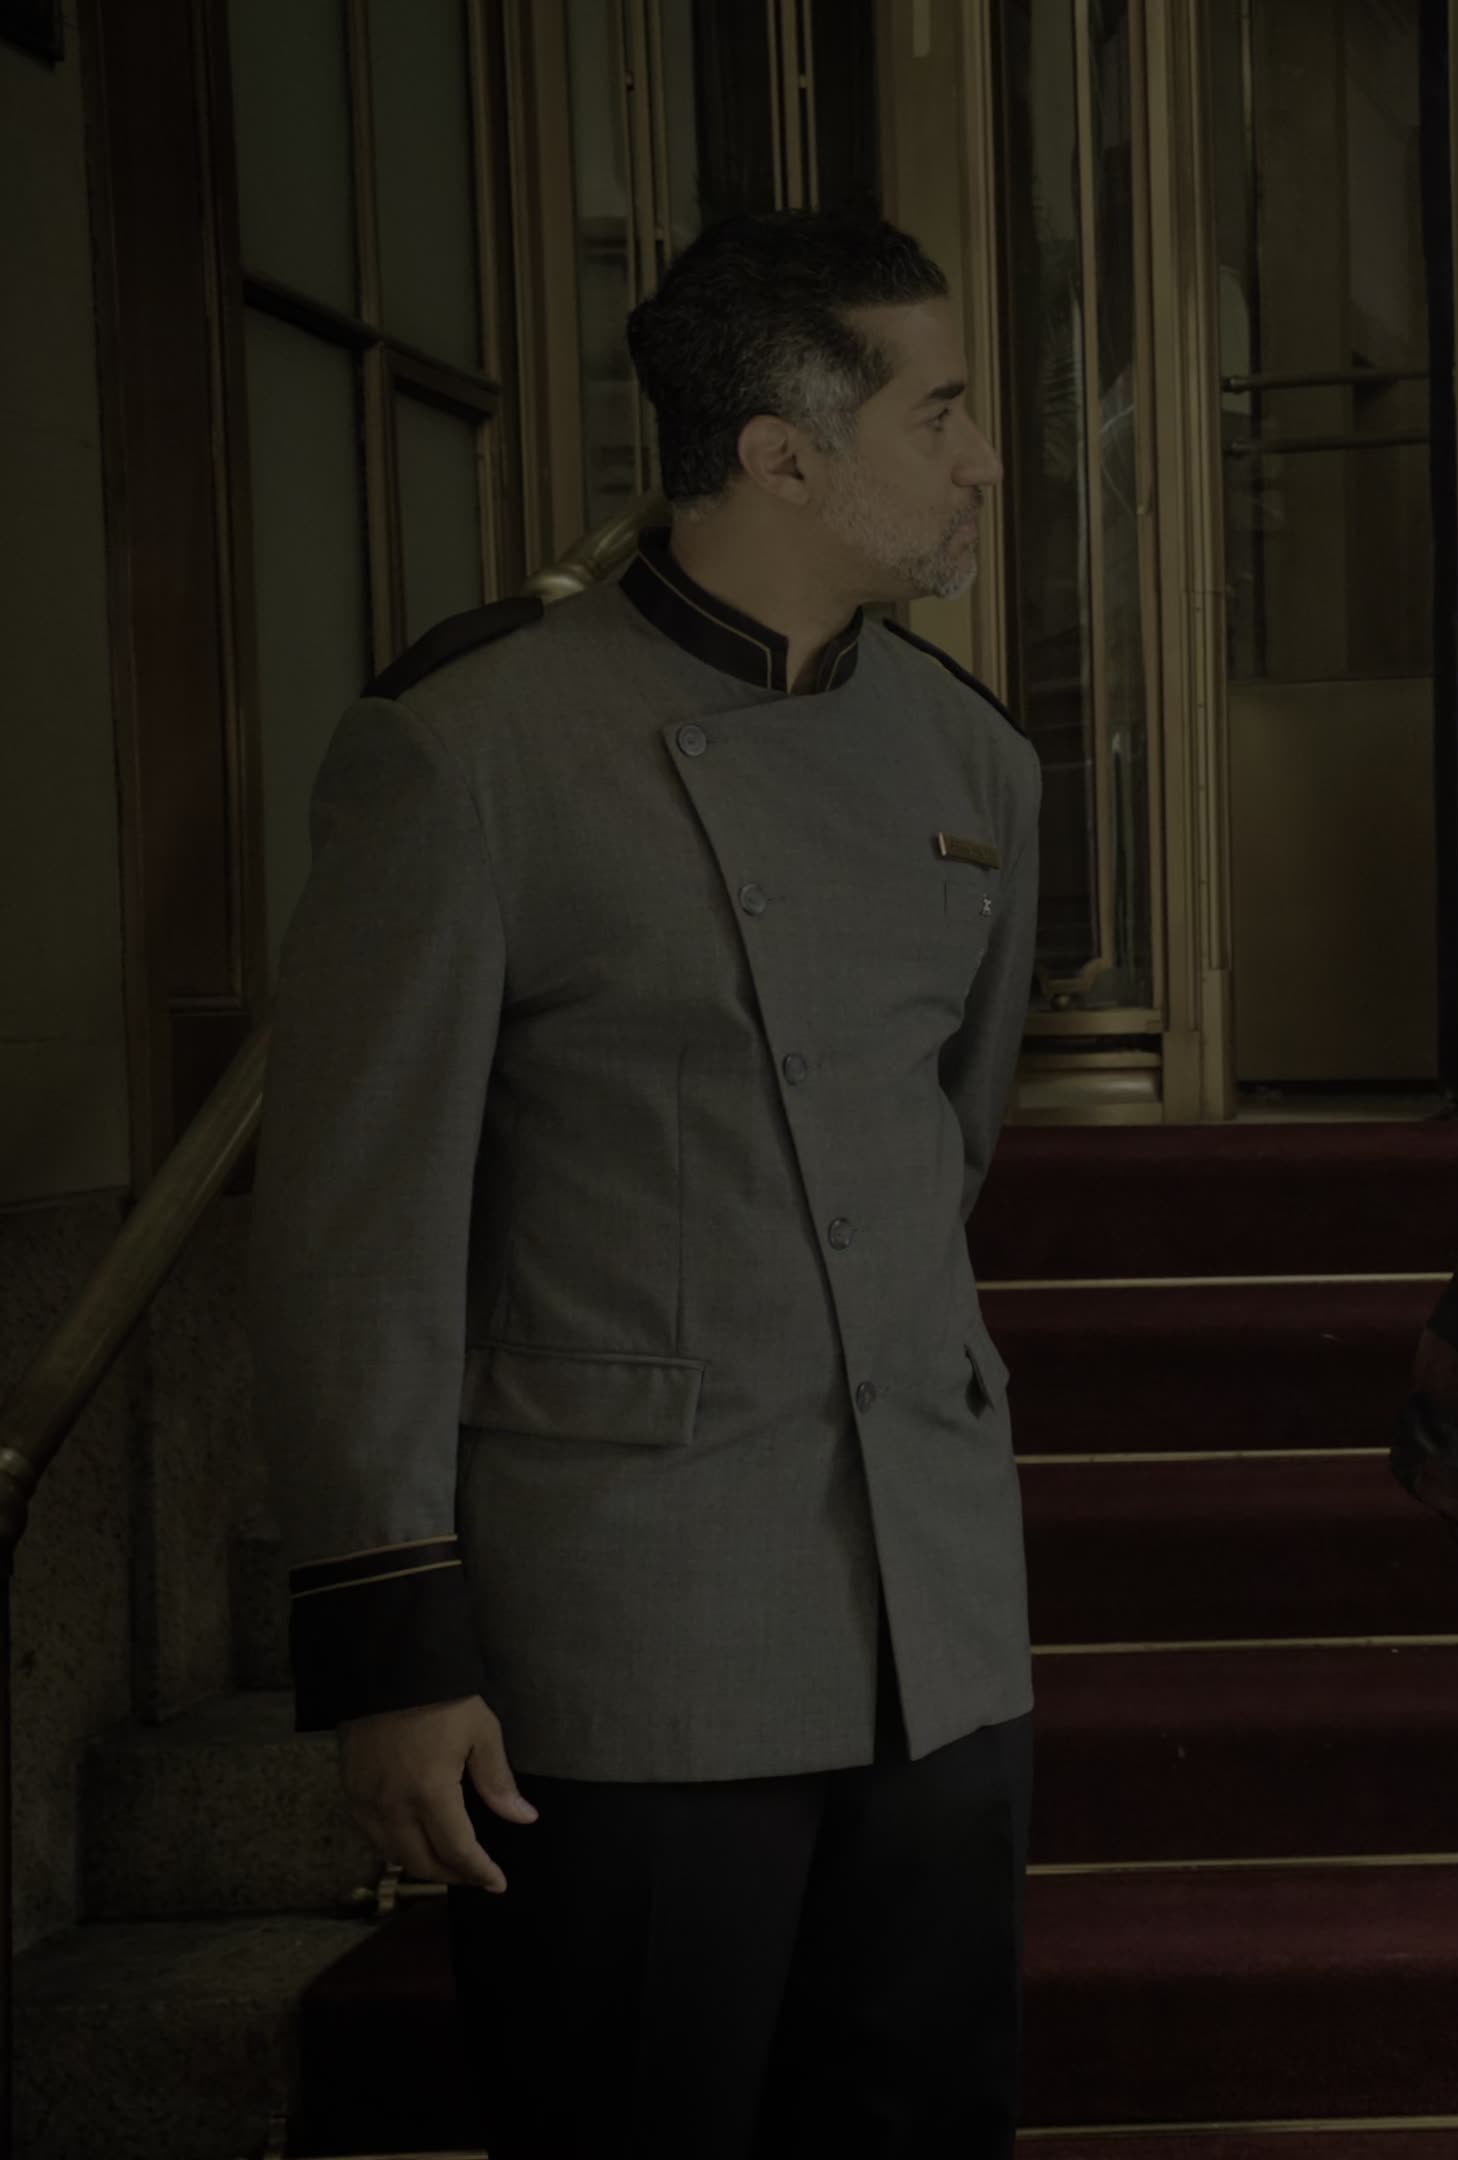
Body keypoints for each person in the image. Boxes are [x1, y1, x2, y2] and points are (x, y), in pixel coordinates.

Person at [248, 209, 1036, 2157]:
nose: (981, 458)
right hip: (630, 1645)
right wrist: (393, 1649)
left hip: (936, 1634)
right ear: (783, 454)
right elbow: (358, 1237)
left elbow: (947, 1148)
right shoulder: (468, 750)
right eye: (939, 412)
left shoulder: (976, 764)